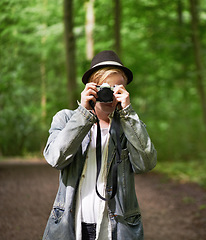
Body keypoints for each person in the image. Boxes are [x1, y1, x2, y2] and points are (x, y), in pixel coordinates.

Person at [42, 50, 157, 240]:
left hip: (117, 229)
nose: (109, 95)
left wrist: (127, 114)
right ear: (91, 88)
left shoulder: (130, 126)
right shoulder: (66, 119)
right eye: (105, 88)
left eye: (116, 89)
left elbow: (146, 164)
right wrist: (83, 114)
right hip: (72, 225)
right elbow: (56, 158)